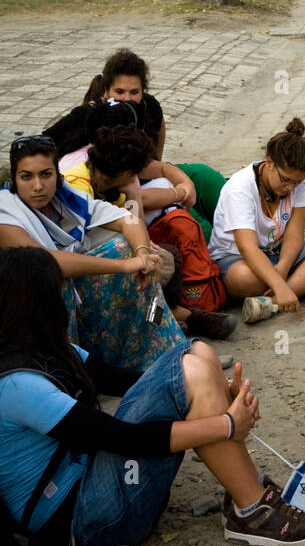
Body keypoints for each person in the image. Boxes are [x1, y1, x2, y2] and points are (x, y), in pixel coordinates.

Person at [0, 247, 305, 546]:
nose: (67, 299)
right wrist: (226, 423)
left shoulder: (51, 349)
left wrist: (213, 387)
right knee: (190, 374)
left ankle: (251, 497)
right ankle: (252, 510)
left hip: (93, 478)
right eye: (60, 291)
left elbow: (131, 381)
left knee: (196, 353)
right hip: (82, 521)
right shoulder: (16, 384)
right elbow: (123, 438)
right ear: (38, 302)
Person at [0, 136, 185, 370]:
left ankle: (167, 350)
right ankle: (74, 369)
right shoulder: (5, 212)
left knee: (137, 257)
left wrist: (142, 253)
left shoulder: (65, 198)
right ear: (15, 180)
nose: (38, 186)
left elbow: (127, 219)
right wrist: (124, 266)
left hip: (79, 300)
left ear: (56, 175)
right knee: (58, 280)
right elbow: (48, 263)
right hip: (34, 316)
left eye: (46, 174)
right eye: (27, 177)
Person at [64, 124, 237, 341]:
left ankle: (169, 321)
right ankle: (175, 322)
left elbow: (134, 224)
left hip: (113, 249)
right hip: (86, 263)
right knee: (155, 264)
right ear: (128, 172)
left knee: (164, 256)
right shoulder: (77, 184)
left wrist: (134, 194)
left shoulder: (109, 184)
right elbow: (92, 237)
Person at [209, 120, 305, 321]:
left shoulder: (300, 183)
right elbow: (248, 248)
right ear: (269, 163)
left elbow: (295, 234)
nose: (290, 188)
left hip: (277, 254)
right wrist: (278, 282)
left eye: (296, 183)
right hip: (237, 260)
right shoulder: (240, 188)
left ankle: (273, 304)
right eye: (286, 180)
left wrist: (282, 269)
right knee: (242, 278)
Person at [44, 48, 167, 164]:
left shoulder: (149, 105)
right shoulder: (89, 114)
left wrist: (157, 160)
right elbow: (45, 139)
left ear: (142, 90)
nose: (127, 98)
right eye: (119, 92)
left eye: (134, 92)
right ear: (106, 90)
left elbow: (160, 126)